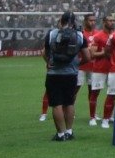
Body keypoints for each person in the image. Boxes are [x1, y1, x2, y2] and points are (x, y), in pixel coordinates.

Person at [43, 11, 83, 141]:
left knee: (57, 104)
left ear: (61, 20)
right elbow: (88, 56)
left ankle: (60, 134)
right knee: (69, 103)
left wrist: (48, 63)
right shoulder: (79, 35)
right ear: (74, 22)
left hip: (54, 74)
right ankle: (69, 131)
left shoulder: (52, 33)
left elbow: (44, 52)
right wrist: (77, 65)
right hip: (71, 74)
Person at [83, 13, 110, 127]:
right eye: (110, 21)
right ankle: (92, 117)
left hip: (113, 69)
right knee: (94, 93)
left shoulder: (114, 35)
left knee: (112, 93)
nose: (112, 23)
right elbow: (92, 54)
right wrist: (105, 52)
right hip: (98, 69)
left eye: (114, 21)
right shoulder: (98, 36)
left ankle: (108, 116)